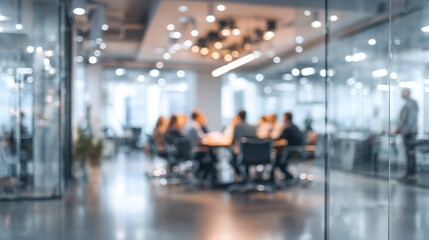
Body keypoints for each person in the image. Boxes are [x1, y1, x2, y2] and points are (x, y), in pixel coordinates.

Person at [394, 88, 418, 183]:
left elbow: (411, 118)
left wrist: (409, 130)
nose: (401, 94)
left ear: (407, 93)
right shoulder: (407, 103)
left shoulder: (411, 103)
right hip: (406, 132)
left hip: (409, 132)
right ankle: (408, 174)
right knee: (408, 154)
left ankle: (411, 175)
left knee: (410, 154)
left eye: (403, 92)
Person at [271, 112, 304, 181]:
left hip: (291, 151)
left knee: (276, 160)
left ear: (286, 118)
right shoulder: (295, 127)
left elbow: (279, 138)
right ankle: (286, 175)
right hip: (297, 150)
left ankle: (272, 178)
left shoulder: (288, 128)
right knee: (277, 159)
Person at [231, 110, 257, 178]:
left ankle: (240, 174)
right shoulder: (253, 127)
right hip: (253, 152)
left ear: (239, 116)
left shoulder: (237, 126)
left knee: (232, 157)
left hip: (242, 152)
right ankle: (245, 176)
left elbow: (233, 140)